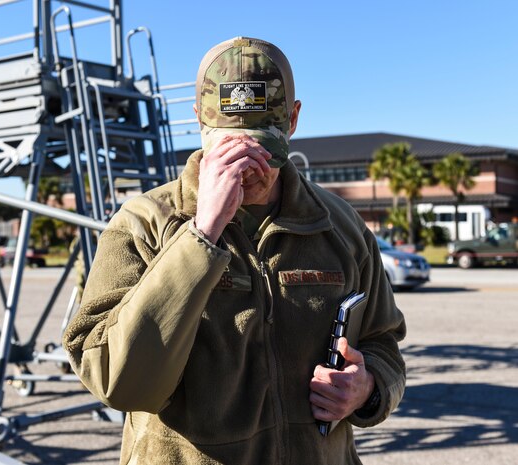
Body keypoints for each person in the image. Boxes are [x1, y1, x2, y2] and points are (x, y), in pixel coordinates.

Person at [63, 37, 406, 464]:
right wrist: (201, 234)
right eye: (229, 146)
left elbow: (382, 342)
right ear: (199, 124)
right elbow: (117, 381)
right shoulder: (142, 224)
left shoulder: (341, 227)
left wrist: (368, 388)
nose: (249, 166)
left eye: (266, 146)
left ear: (294, 120)